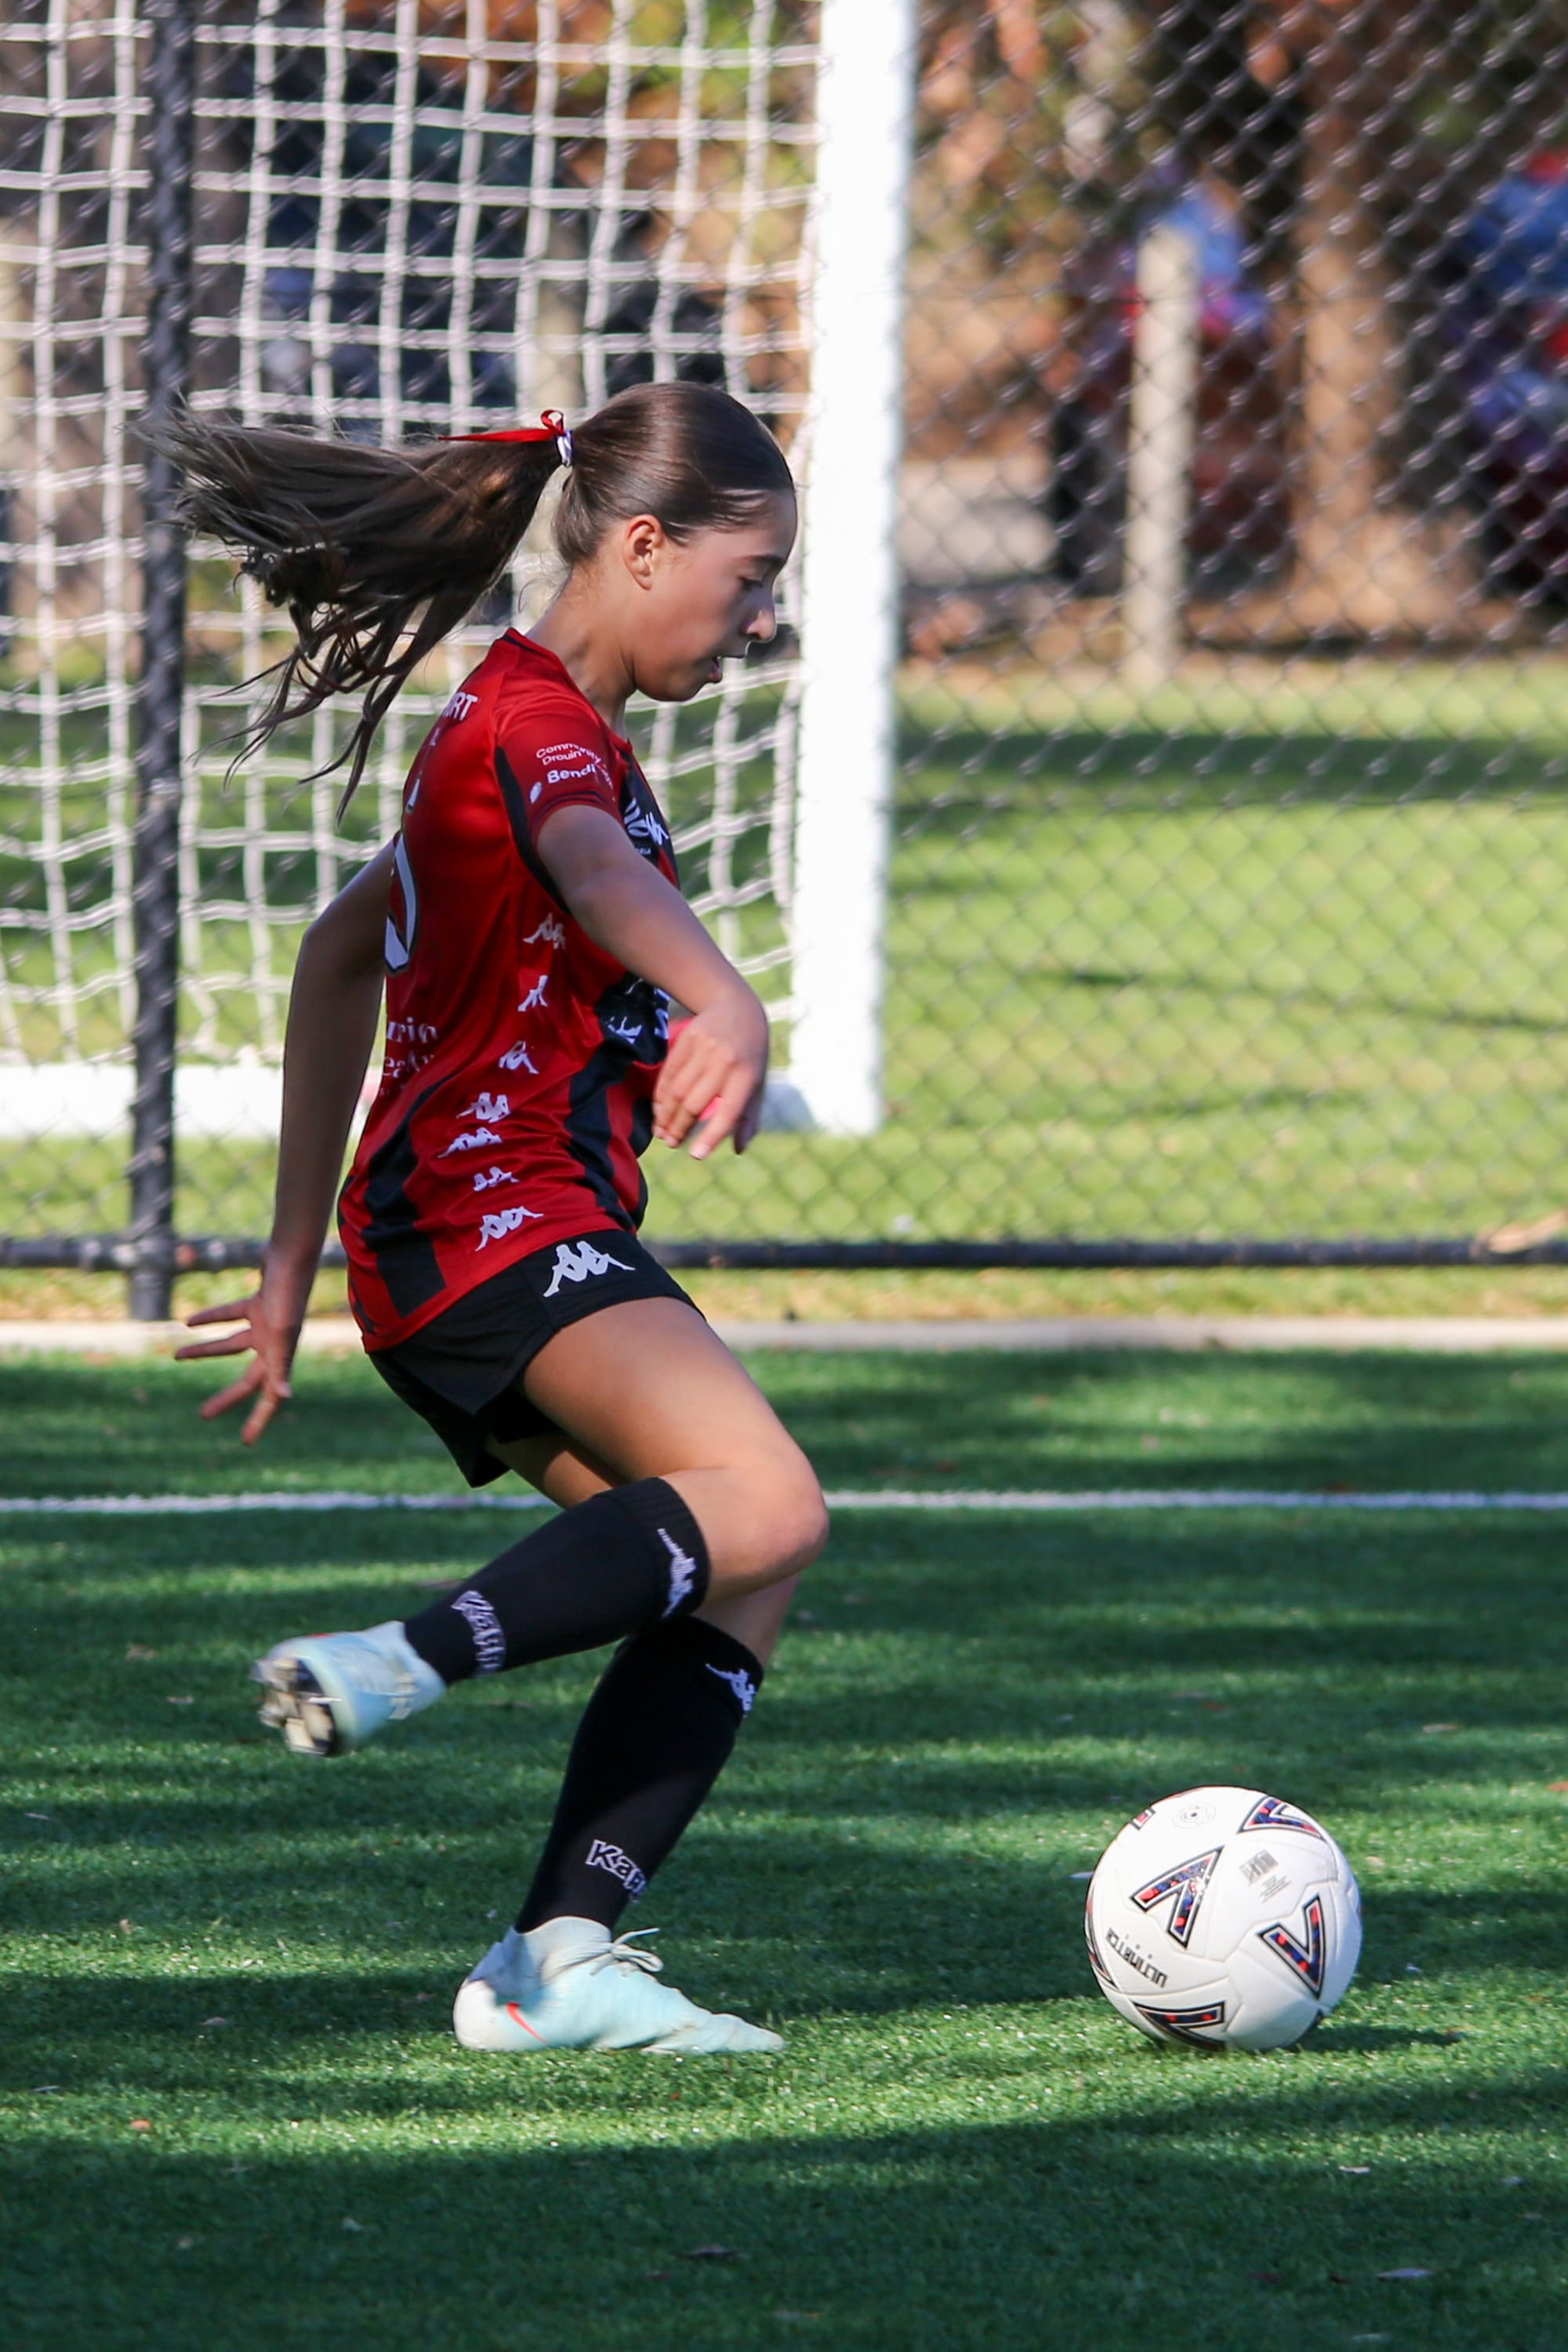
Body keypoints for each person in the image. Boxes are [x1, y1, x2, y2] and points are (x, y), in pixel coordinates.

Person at [169, 384, 827, 2056]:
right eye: (750, 579)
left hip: (448, 1242)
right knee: (769, 1498)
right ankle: (401, 1660)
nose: (762, 620)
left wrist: (291, 1266)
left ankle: (553, 1966)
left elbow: (336, 956)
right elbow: (595, 869)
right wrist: (725, 995)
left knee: (740, 1563)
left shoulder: (513, 726)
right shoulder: (539, 730)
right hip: (494, 1215)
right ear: (644, 544)